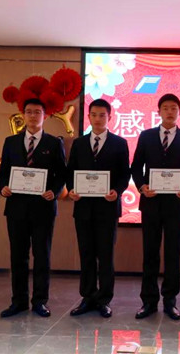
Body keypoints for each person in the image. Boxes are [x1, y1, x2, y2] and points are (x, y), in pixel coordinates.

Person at [130, 93, 180, 320]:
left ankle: (170, 301)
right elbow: (136, 167)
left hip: (175, 204)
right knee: (150, 253)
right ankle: (148, 301)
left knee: (173, 253)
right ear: (159, 111)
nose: (170, 112)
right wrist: (142, 186)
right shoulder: (146, 136)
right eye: (166, 108)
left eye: (174, 108)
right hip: (150, 203)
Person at [0, 98, 67, 318]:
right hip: (16, 207)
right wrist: (3, 188)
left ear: (44, 116)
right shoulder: (10, 141)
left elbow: (62, 174)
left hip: (43, 208)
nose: (33, 116)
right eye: (28, 112)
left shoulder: (54, 143)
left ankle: (40, 301)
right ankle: (18, 301)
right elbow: (5, 172)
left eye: (37, 112)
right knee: (18, 256)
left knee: (42, 255)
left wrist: (54, 191)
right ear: (23, 115)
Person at [66, 98, 130, 318]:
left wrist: (117, 191)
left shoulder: (119, 143)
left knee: (105, 255)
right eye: (94, 114)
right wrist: (72, 189)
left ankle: (104, 299)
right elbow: (70, 172)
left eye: (102, 115)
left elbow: (124, 174)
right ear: (89, 117)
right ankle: (87, 297)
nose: (98, 119)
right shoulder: (79, 143)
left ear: (109, 117)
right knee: (86, 254)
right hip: (83, 208)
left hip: (107, 208)